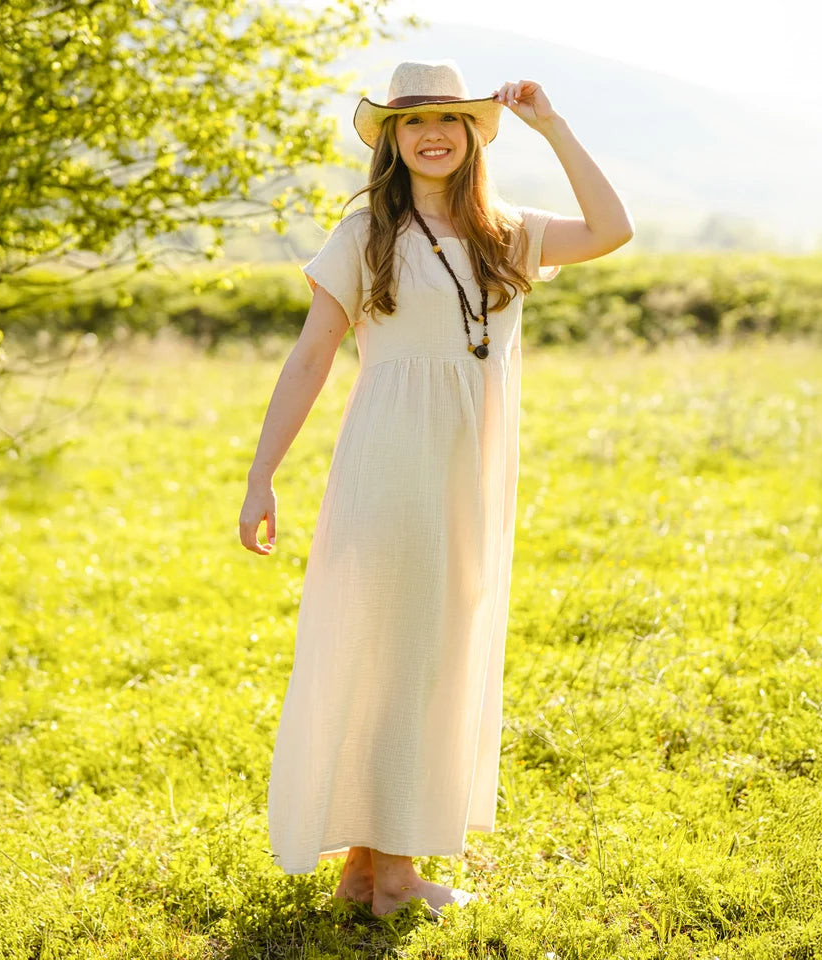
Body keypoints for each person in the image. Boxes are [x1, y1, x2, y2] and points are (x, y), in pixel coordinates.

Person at [238, 59, 633, 918]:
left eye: (450, 119)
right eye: (412, 122)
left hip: (471, 467)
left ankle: (365, 865)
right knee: (396, 650)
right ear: (390, 140)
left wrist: (551, 125)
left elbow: (612, 228)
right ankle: (393, 874)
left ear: (472, 136)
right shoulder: (363, 238)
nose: (432, 133)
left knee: (430, 651)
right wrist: (262, 475)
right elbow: (311, 356)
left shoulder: (509, 233)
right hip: (390, 461)